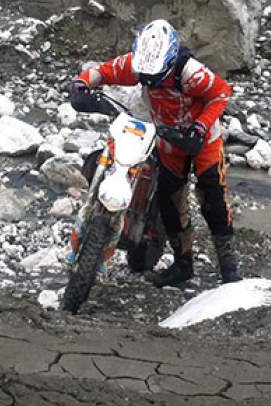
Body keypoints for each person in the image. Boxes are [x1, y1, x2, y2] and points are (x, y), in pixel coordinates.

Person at [70, 19, 241, 286]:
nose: (149, 81)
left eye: (156, 77)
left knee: (213, 198)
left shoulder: (191, 73)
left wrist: (200, 127)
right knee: (170, 199)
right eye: (145, 77)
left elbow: (221, 93)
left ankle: (229, 268)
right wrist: (80, 86)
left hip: (203, 137)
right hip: (167, 136)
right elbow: (99, 73)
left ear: (169, 63)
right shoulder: (137, 65)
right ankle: (183, 264)